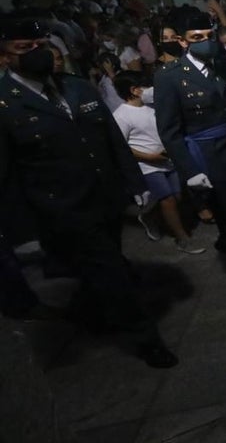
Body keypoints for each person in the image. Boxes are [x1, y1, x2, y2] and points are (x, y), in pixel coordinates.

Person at [0, 35, 177, 368]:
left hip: (104, 197)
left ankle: (92, 311)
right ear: (4, 58)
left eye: (39, 44)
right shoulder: (6, 102)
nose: (37, 52)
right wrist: (21, 231)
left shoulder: (76, 87)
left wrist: (133, 181)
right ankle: (145, 338)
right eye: (24, 48)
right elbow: (6, 175)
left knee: (101, 265)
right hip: (62, 208)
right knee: (111, 272)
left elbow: (111, 137)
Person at [153, 7, 226, 294]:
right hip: (210, 155)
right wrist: (190, 170)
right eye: (197, 37)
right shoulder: (170, 76)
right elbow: (170, 131)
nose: (205, 41)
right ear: (182, 41)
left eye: (208, 35)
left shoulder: (225, 65)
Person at [112, 71, 205, 254]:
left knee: (176, 197)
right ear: (134, 90)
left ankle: (150, 216)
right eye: (146, 86)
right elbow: (121, 146)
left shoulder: (152, 107)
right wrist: (149, 157)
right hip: (147, 165)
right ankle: (182, 239)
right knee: (167, 200)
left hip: (167, 161)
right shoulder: (121, 116)